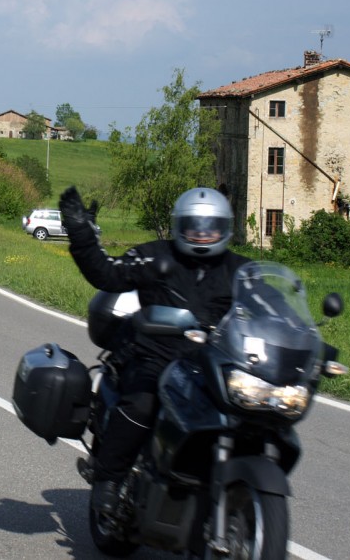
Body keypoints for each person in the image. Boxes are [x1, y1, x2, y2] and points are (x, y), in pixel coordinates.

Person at [58, 185, 252, 514]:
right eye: (194, 226)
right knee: (142, 404)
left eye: (211, 228)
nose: (202, 235)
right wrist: (80, 232)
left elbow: (270, 307)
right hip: (154, 358)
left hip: (214, 366)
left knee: (252, 412)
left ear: (226, 228)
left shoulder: (242, 270)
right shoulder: (156, 255)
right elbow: (107, 274)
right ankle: (109, 478)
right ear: (180, 226)